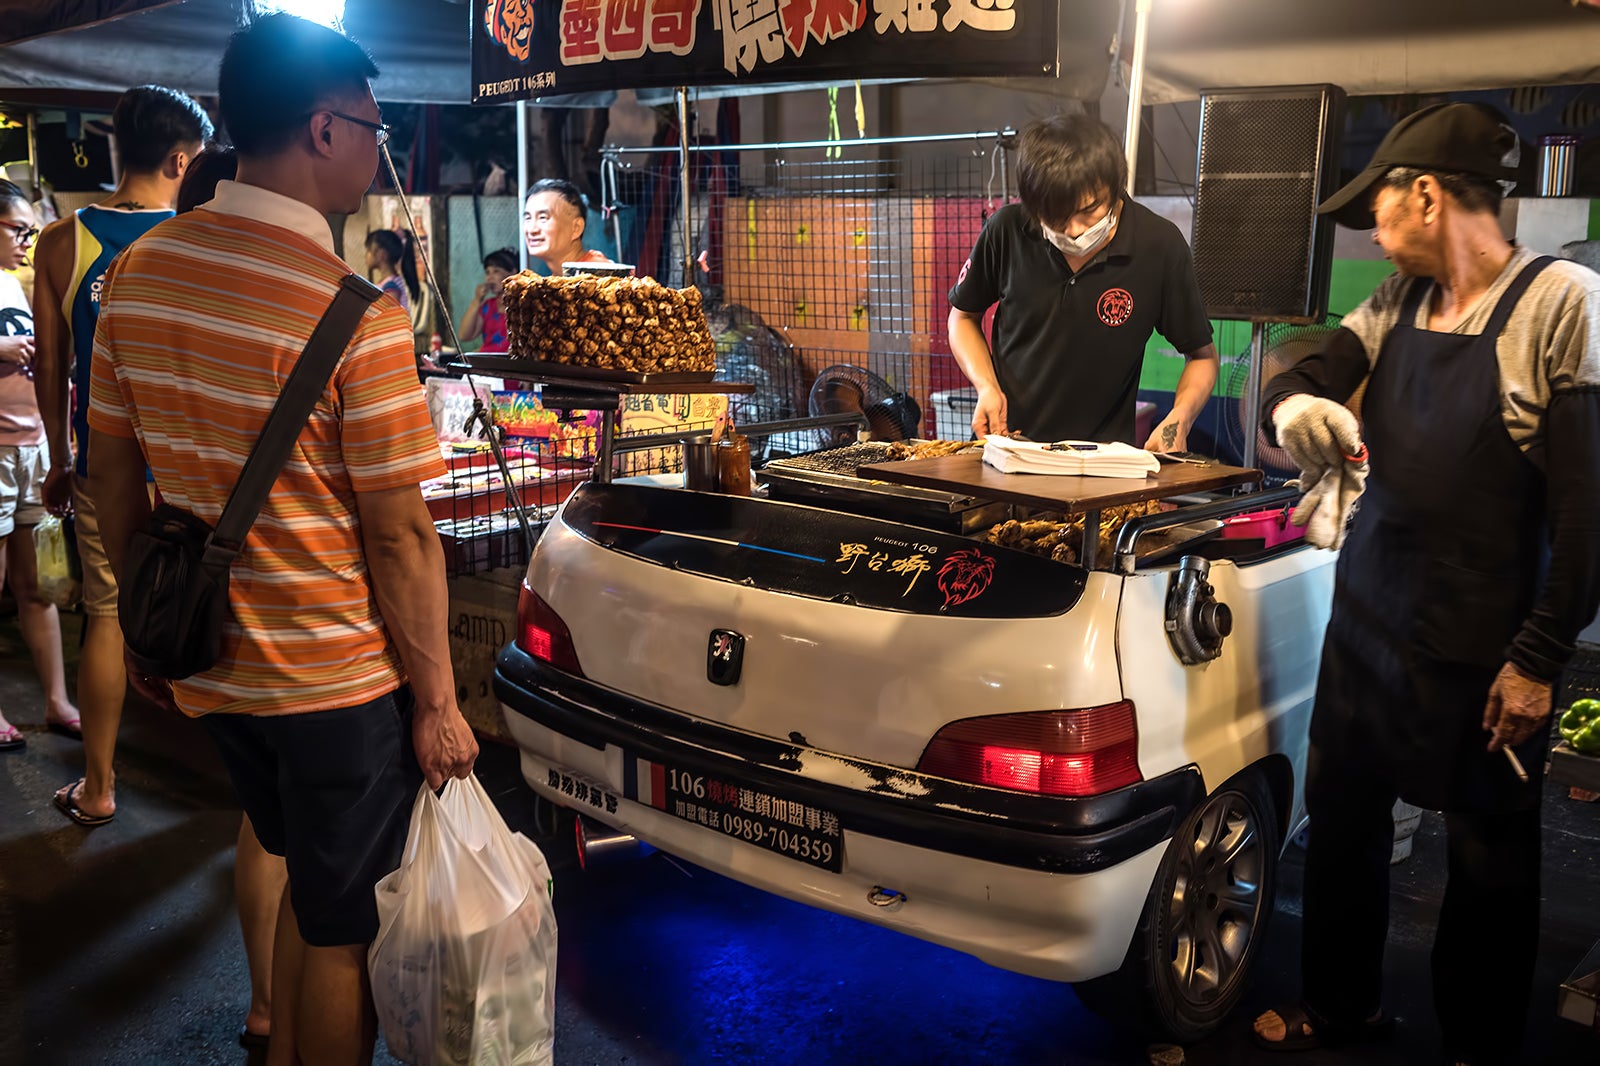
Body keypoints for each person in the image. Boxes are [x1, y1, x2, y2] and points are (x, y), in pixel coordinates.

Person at [87, 14, 477, 1064]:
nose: (378, 147)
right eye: (373, 127)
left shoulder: (138, 275)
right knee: (343, 929)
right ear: (321, 128)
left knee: (307, 877)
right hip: (331, 684)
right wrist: (438, 704)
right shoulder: (354, 313)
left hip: (214, 668)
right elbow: (399, 541)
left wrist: (143, 625)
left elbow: (114, 482)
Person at [1251, 102, 1600, 1065]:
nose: (1370, 231)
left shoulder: (1561, 301)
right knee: (1346, 831)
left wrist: (1538, 658)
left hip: (1486, 643)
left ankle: (1476, 1047)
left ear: (1428, 194)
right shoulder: (1396, 304)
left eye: (1379, 208)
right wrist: (1295, 405)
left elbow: (1586, 508)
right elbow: (1313, 366)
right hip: (1369, 621)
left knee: (1490, 861)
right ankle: (1339, 1007)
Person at [31, 83, 212, 826]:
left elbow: (50, 364)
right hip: (192, 468)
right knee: (210, 606)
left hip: (101, 465)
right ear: (179, 158)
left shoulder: (62, 241)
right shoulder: (197, 238)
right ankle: (237, 790)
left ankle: (99, 789)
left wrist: (58, 459)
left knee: (107, 615)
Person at [173, 142, 290, 1053]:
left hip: (202, 619)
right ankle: (293, 1011)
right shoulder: (298, 297)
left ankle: (263, 1003)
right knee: (316, 857)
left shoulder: (146, 293)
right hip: (297, 625)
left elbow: (114, 470)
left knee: (263, 824)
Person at [947, 113, 1219, 449]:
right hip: (1007, 447)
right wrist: (986, 385)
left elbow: (1203, 357)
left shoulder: (1158, 245)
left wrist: (1179, 419)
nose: (1074, 229)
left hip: (1102, 463)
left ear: (1115, 184)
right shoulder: (1007, 230)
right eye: (1056, 216)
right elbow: (962, 318)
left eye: (1089, 210)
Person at [0, 179, 79, 752]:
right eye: (17, 230)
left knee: (39, 587)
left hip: (34, 450)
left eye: (30, 230)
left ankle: (57, 699)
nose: (26, 240)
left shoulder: (16, 283)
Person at [523, 177, 608, 276]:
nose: (532, 230)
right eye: (528, 218)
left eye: (543, 218)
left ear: (576, 228)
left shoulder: (599, 275)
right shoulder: (560, 278)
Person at [457, 247, 517, 350]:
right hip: (487, 362)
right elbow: (464, 336)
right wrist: (476, 301)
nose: (489, 278)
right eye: (487, 272)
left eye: (496, 271)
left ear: (513, 273)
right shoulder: (488, 306)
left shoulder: (522, 305)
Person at [364, 227, 418, 316]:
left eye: (368, 250)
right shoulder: (390, 282)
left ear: (381, 254)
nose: (366, 255)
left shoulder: (391, 287)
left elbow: (390, 317)